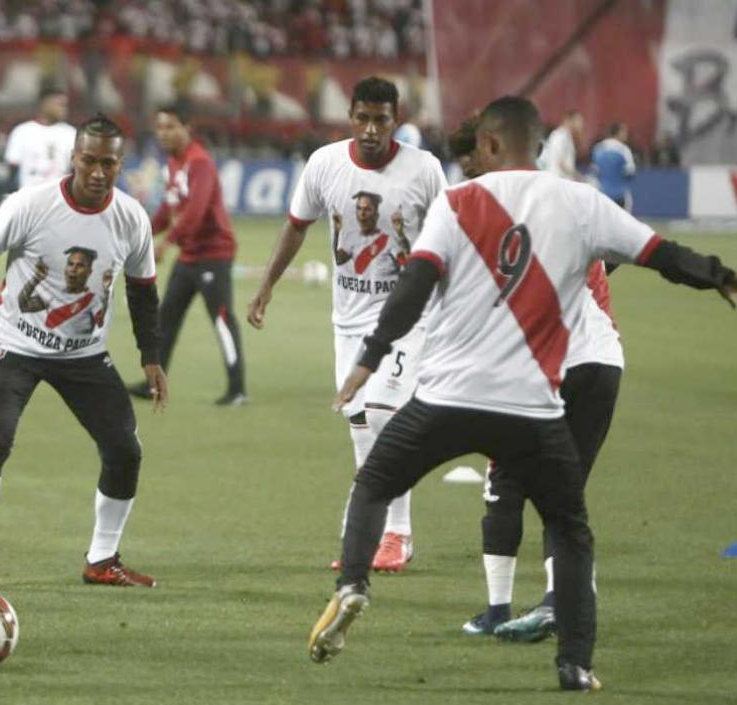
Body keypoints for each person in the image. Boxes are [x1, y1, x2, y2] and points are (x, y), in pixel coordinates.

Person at [307, 95, 737, 691]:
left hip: (447, 398)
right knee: (569, 526)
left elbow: (415, 282)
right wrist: (721, 276)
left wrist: (370, 358)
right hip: (531, 409)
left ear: (486, 144)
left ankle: (353, 583)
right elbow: (662, 256)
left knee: (375, 482)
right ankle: (575, 665)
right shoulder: (583, 204)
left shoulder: (457, 202)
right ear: (539, 145)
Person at [247, 76, 447, 572]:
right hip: (349, 318)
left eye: (382, 119)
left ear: (395, 120)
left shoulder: (423, 170)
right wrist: (268, 284)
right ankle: (368, 528)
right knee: (359, 423)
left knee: (383, 415)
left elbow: (451, 235)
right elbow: (297, 226)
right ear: (351, 117)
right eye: (363, 118)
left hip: (409, 314)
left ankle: (397, 534)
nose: (371, 128)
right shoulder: (325, 164)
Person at [0, 115, 165, 591]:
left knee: (124, 450)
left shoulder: (132, 217)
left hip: (85, 355)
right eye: (88, 160)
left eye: (108, 163)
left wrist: (150, 356)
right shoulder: (32, 204)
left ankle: (102, 559)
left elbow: (143, 289)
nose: (97, 172)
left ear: (120, 163)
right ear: (73, 158)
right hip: (14, 345)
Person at [451, 123, 627, 642]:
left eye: (472, 165)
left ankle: (506, 609)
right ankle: (559, 607)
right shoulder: (562, 198)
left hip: (548, 365)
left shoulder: (490, 213)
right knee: (562, 494)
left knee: (508, 482)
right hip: (598, 360)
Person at [126, 105, 246, 406]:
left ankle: (237, 389)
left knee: (221, 318)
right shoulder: (175, 162)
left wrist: (166, 244)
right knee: (165, 318)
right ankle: (153, 383)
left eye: (170, 126)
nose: (164, 133)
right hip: (190, 255)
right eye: (160, 127)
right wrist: (141, 233)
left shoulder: (199, 162)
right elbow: (170, 209)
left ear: (187, 128)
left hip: (213, 254)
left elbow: (196, 210)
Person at [4, 85, 77, 191]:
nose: (64, 109)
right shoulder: (22, 131)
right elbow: (12, 171)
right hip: (28, 199)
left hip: (58, 199)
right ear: (45, 104)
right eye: (60, 105)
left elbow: (75, 171)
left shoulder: (71, 133)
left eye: (65, 106)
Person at [591, 122, 636, 209]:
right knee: (623, 220)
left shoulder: (598, 148)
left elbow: (595, 171)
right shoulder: (624, 149)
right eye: (624, 132)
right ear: (619, 133)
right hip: (619, 195)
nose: (626, 134)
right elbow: (630, 172)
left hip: (602, 194)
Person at [540, 110, 585, 181]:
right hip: (559, 179)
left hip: (561, 180)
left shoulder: (565, 136)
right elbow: (560, 162)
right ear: (569, 121)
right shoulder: (561, 136)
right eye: (578, 121)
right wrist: (578, 176)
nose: (581, 125)